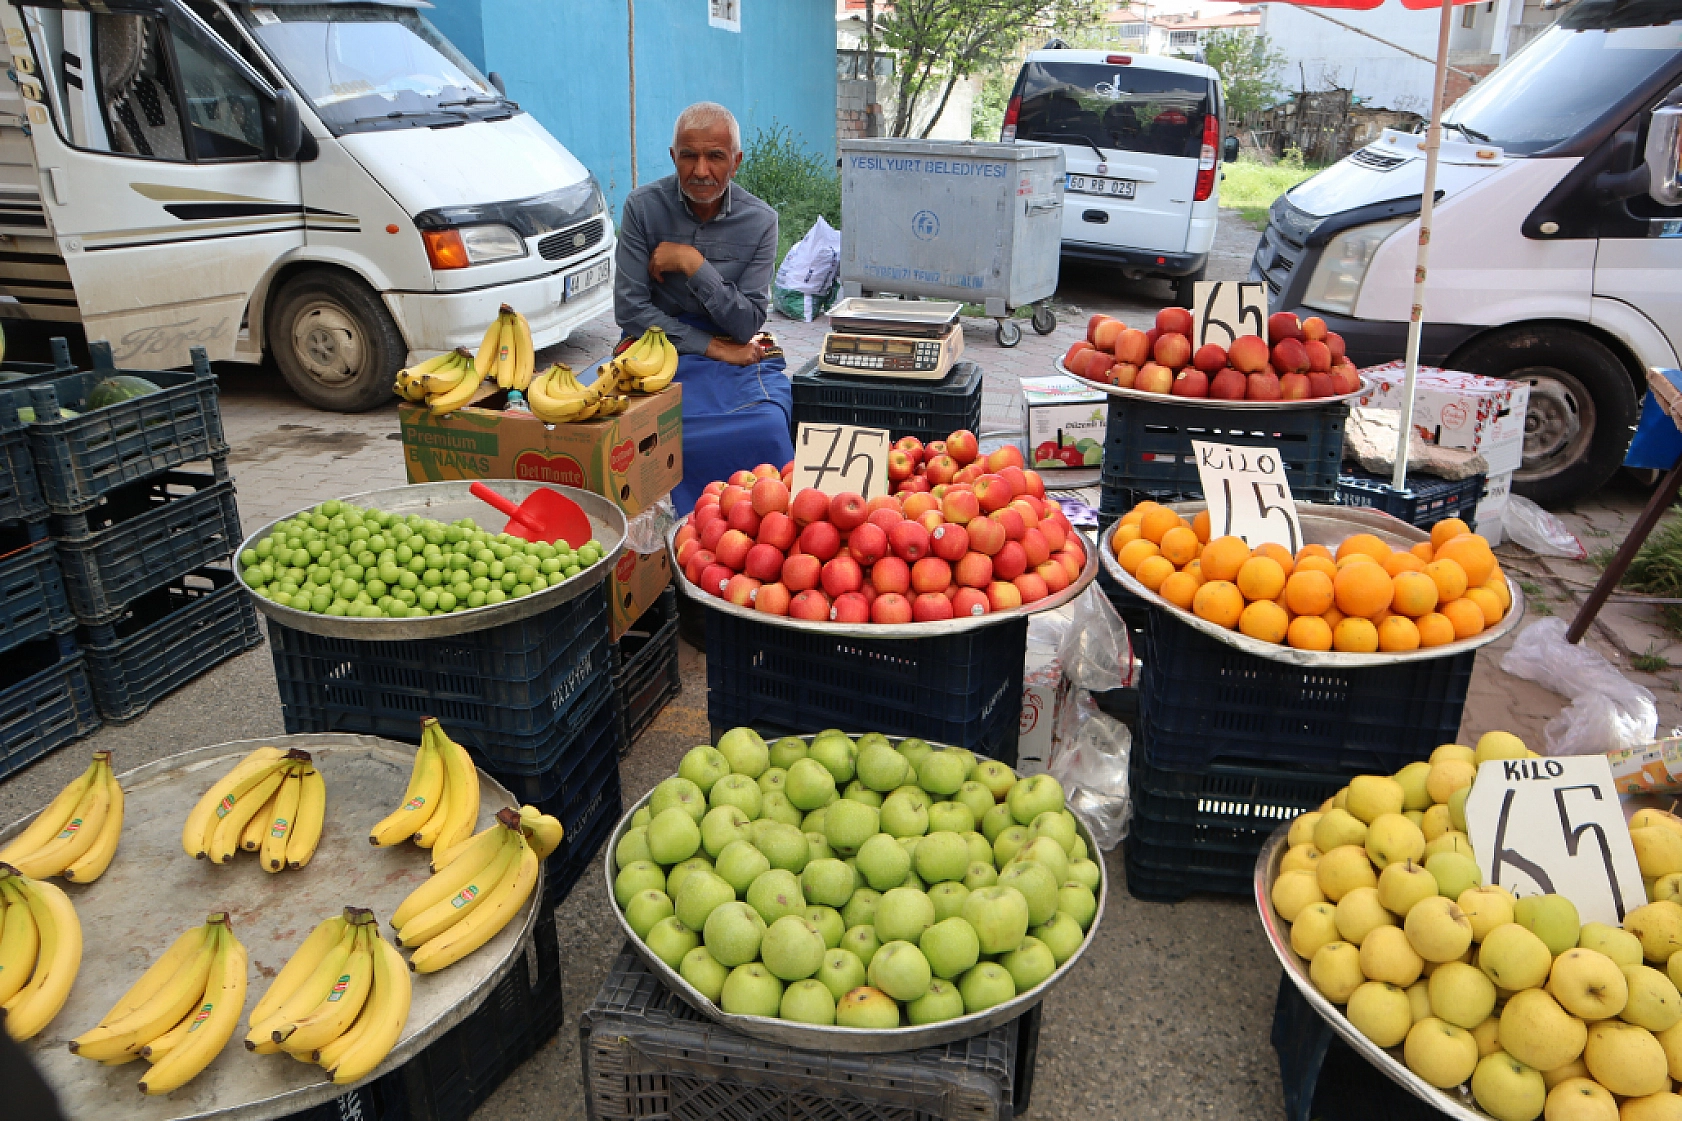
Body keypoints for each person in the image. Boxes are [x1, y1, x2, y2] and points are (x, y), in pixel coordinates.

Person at [613, 101, 794, 510]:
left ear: (736, 161)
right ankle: (662, 534)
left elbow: (746, 322)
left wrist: (692, 264)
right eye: (689, 156)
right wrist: (714, 347)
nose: (700, 171)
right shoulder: (642, 208)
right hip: (654, 350)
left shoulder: (760, 220)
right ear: (673, 157)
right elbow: (630, 310)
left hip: (737, 352)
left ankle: (755, 520)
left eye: (715, 157)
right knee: (642, 429)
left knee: (764, 426)